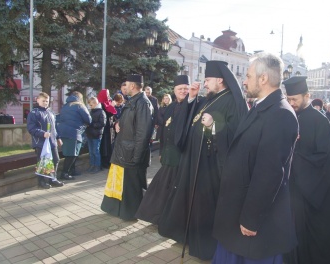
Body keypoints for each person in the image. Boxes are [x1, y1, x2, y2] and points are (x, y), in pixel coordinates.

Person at [211, 53, 298, 264]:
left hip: (252, 223)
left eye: (248, 75)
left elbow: (269, 174)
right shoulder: (261, 106)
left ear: (263, 79)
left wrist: (250, 219)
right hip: (237, 212)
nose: (244, 80)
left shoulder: (280, 114)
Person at [158, 60, 248, 260]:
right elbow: (192, 117)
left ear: (220, 80)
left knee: (205, 207)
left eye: (207, 80)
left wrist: (214, 126)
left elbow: (237, 134)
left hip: (211, 166)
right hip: (194, 162)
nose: (204, 83)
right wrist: (191, 98)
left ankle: (205, 247)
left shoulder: (233, 101)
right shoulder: (211, 98)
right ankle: (191, 238)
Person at [283, 76, 330, 264]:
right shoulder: (290, 116)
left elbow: (324, 159)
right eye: (288, 99)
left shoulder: (320, 121)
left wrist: (293, 156)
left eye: (295, 99)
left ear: (308, 96)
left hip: (315, 193)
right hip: (296, 191)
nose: (291, 103)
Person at [136, 75, 189, 224]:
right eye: (180, 89)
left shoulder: (192, 106)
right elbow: (165, 131)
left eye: (186, 88)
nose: (183, 91)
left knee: (169, 187)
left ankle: (162, 218)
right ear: (174, 90)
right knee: (162, 186)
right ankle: (157, 216)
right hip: (168, 154)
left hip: (182, 156)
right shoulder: (171, 107)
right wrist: (161, 151)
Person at [100, 74, 153, 221]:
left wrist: (136, 156)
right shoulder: (133, 101)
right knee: (122, 183)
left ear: (133, 86)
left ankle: (131, 213)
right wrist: (118, 123)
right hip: (124, 150)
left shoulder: (143, 103)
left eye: (126, 84)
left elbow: (143, 132)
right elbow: (130, 122)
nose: (124, 87)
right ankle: (120, 210)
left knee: (132, 186)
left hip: (131, 153)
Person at [27, 92, 64, 189]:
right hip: (41, 142)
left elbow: (55, 127)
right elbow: (31, 128)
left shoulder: (51, 112)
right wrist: (42, 133)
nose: (45, 103)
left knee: (55, 160)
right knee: (42, 162)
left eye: (47, 101)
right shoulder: (34, 113)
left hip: (52, 142)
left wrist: (58, 137)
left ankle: (53, 179)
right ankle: (41, 182)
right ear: (38, 100)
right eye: (43, 101)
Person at [57, 91, 91, 180]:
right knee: (72, 155)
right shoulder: (80, 106)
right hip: (74, 133)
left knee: (70, 153)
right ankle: (65, 173)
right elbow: (88, 119)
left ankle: (72, 171)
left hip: (63, 132)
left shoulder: (65, 106)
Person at [85, 97, 106, 174]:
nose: (90, 106)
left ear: (95, 104)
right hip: (90, 133)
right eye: (90, 105)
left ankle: (97, 166)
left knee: (95, 151)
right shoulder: (91, 111)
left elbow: (102, 123)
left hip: (96, 134)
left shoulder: (101, 112)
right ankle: (92, 165)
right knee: (91, 151)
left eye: (91, 105)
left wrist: (92, 125)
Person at [97, 89, 117, 169]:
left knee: (110, 145)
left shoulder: (108, 102)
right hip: (105, 129)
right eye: (107, 94)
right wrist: (111, 106)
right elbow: (107, 114)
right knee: (105, 146)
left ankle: (109, 161)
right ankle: (105, 162)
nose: (108, 96)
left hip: (110, 128)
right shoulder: (101, 104)